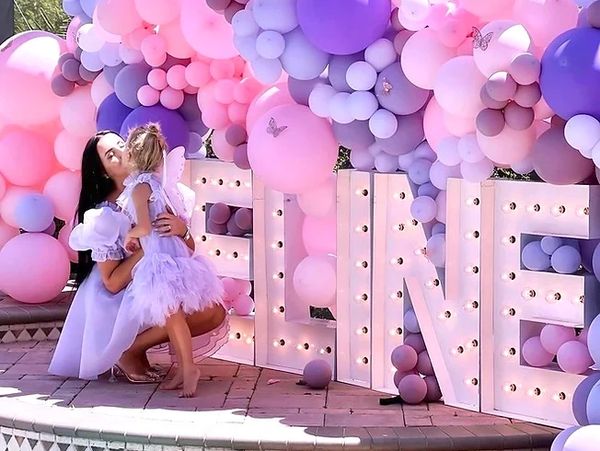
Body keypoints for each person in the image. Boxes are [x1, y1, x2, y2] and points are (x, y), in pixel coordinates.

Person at [48, 130, 228, 384]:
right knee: (168, 301)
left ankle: (135, 349)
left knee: (213, 311)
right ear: (102, 172)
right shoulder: (105, 215)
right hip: (120, 295)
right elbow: (111, 282)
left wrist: (181, 229)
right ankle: (126, 352)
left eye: (121, 144)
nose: (122, 153)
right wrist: (148, 247)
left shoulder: (155, 190)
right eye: (111, 155)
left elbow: (187, 250)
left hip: (158, 274)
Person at [116, 123, 224, 397]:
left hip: (160, 261)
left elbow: (143, 227)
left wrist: (130, 234)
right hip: (173, 255)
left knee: (173, 319)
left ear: (133, 154)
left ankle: (189, 369)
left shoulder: (140, 187)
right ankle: (182, 368)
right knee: (173, 318)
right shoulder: (158, 185)